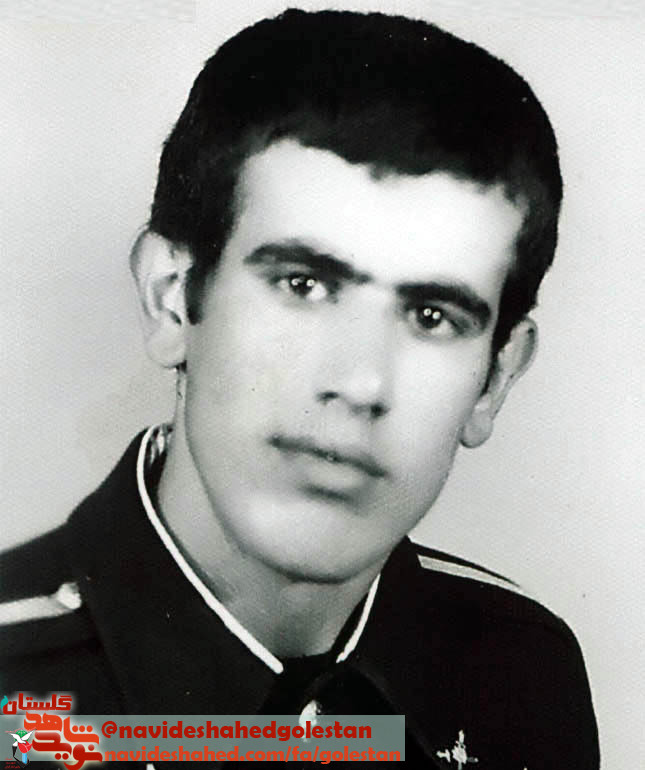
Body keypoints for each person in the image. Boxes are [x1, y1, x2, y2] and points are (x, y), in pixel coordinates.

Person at [0, 8, 599, 768]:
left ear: (495, 378)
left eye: (431, 316)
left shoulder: (522, 675)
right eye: (302, 284)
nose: (359, 382)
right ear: (173, 299)